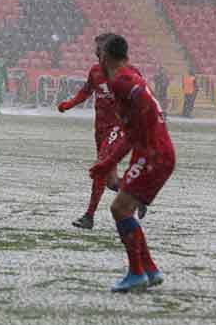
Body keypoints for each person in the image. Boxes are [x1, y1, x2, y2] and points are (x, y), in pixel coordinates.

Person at [90, 35, 175, 292]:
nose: (97, 60)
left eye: (97, 55)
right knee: (123, 209)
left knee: (120, 210)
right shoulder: (129, 78)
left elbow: (139, 121)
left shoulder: (122, 82)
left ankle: (137, 272)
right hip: (153, 151)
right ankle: (149, 269)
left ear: (104, 56)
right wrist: (110, 162)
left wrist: (110, 161)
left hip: (153, 154)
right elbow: (134, 127)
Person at [58, 34, 144, 229]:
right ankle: (137, 196)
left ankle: (89, 216)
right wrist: (69, 104)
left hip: (118, 127)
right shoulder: (95, 71)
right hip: (100, 129)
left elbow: (142, 97)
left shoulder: (129, 72)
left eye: (99, 46)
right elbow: (86, 91)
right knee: (111, 182)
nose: (95, 50)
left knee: (101, 167)